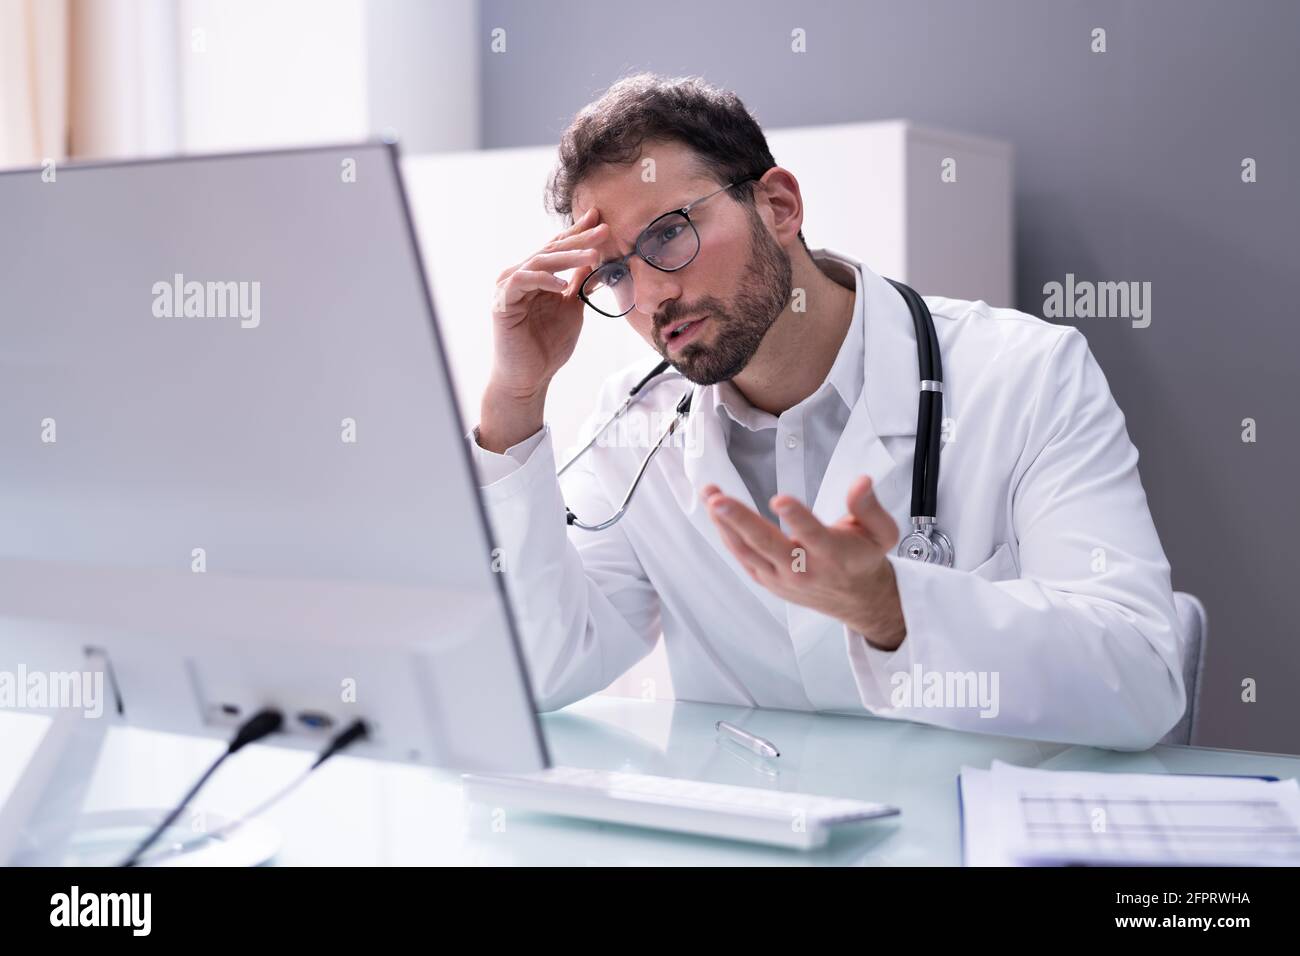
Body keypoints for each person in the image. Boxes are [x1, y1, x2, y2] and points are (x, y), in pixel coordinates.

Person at [468, 73, 1185, 750]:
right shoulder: (637, 424)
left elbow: (1144, 674)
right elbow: (542, 669)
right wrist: (514, 402)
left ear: (778, 206)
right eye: (615, 271)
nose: (651, 295)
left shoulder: (1025, 374)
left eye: (666, 234)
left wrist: (892, 606)